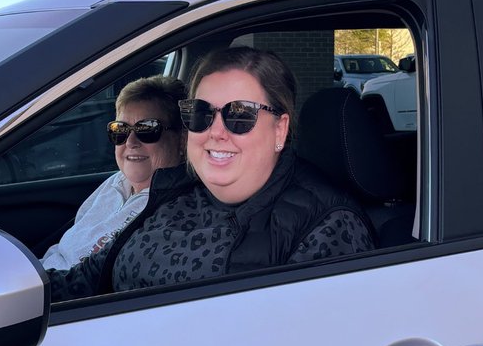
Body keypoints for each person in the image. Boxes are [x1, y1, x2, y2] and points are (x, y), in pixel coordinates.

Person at [48, 46, 374, 299]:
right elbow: (85, 280)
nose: (215, 132)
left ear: (280, 129)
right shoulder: (172, 192)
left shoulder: (328, 228)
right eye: (200, 113)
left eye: (240, 115)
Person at [40, 74, 186, 270]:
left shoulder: (175, 209)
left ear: (182, 139)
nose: (130, 142)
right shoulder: (115, 182)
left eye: (147, 129)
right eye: (121, 129)